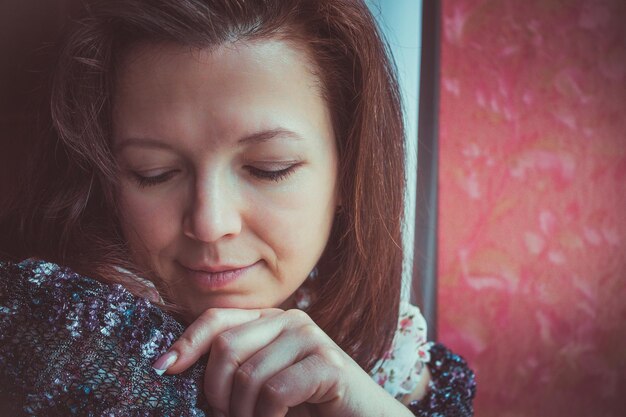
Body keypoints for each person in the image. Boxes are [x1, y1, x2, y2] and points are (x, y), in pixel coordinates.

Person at [0, 0, 476, 416]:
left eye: (270, 169)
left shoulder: (393, 357)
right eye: (154, 172)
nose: (210, 224)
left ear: (349, 171)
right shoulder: (53, 329)